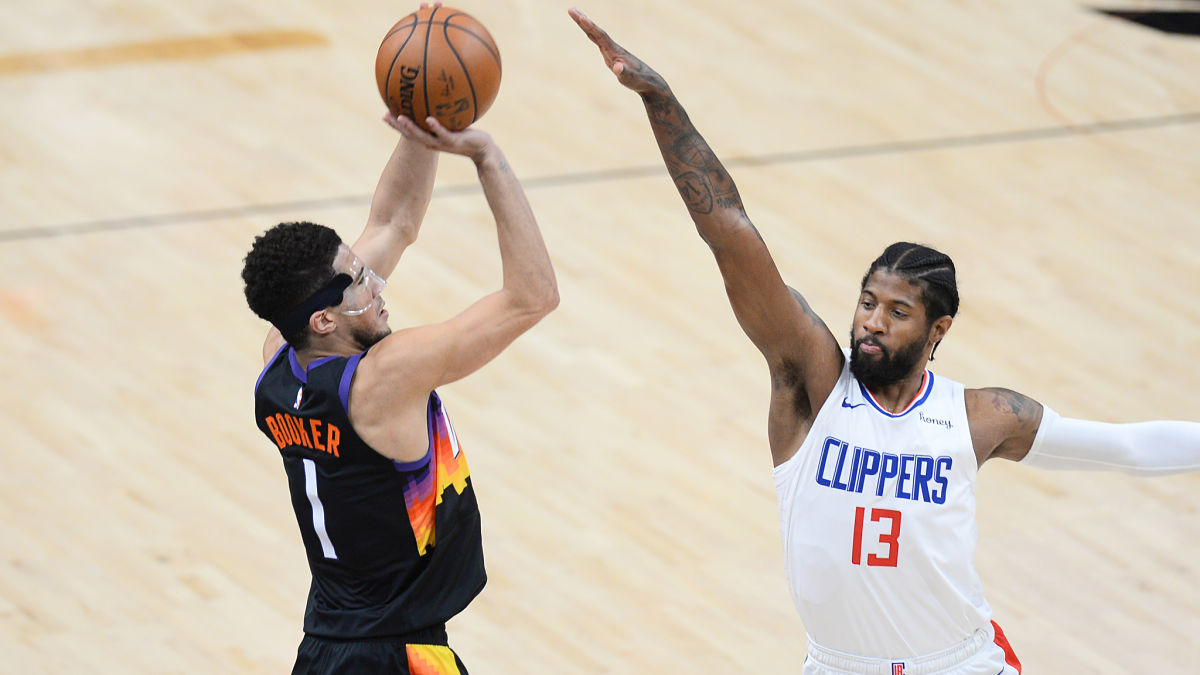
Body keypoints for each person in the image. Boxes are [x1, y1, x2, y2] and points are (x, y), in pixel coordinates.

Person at [570, 8, 1200, 674]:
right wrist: (661, 100)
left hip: (959, 664)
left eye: (897, 312)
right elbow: (729, 230)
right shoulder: (811, 385)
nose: (872, 321)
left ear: (937, 330)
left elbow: (1125, 447)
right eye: (868, 302)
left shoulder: (982, 417)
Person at [240, 103, 557, 675]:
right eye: (359, 283)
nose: (377, 287)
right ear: (324, 320)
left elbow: (393, 224)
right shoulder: (384, 379)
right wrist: (487, 157)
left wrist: (423, 124)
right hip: (394, 655)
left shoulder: (277, 363)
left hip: (327, 646)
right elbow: (532, 297)